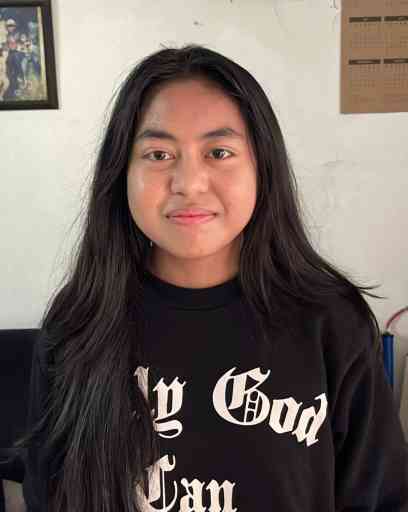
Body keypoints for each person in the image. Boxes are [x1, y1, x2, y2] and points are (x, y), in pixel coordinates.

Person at [16, 43, 407, 511]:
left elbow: (381, 498)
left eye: (219, 152)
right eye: (159, 154)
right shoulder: (79, 322)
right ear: (121, 172)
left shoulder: (331, 321)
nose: (189, 183)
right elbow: (48, 495)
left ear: (262, 166)